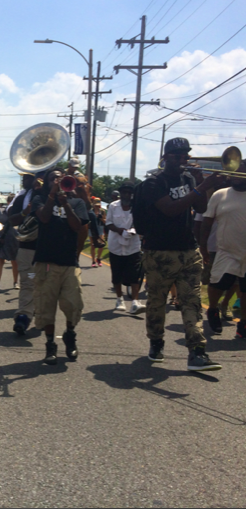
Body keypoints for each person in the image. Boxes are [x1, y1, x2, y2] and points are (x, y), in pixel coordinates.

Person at [138, 137, 222, 371]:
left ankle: (197, 352)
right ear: (165, 158)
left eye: (186, 156)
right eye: (177, 156)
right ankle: (156, 342)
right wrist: (200, 188)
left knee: (192, 301)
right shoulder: (153, 183)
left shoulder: (188, 179)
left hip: (187, 249)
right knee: (156, 301)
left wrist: (199, 182)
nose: (183, 160)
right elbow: (171, 209)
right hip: (159, 251)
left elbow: (202, 209)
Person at [32, 169, 89, 364]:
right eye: (52, 179)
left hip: (69, 263)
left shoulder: (77, 202)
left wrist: (66, 204)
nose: (57, 180)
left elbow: (77, 226)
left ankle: (70, 335)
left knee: (74, 304)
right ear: (47, 183)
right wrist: (52, 195)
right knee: (46, 307)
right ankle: (50, 345)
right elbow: (44, 217)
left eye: (60, 178)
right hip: (46, 262)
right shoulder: (40, 199)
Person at [200, 160, 246, 338]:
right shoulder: (220, 194)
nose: (235, 174)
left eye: (240, 171)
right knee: (217, 283)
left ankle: (243, 324)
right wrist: (203, 246)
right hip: (226, 250)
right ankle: (212, 309)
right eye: (233, 171)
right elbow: (207, 221)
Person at [105, 181, 145, 314]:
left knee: (135, 275)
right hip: (116, 245)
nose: (127, 195)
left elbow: (141, 223)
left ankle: (135, 302)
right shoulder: (113, 206)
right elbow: (109, 223)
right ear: (121, 193)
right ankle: (119, 298)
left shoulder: (137, 207)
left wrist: (134, 230)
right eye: (124, 192)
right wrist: (120, 230)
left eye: (129, 192)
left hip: (132, 246)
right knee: (116, 275)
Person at [6, 172, 39, 335]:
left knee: (43, 283)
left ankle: (40, 313)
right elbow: (11, 219)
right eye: (23, 178)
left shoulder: (51, 194)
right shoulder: (22, 197)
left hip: (47, 249)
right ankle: (24, 317)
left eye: (28, 178)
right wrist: (25, 212)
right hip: (26, 248)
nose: (24, 181)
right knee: (28, 281)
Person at [0, 193, 19, 292]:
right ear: (7, 202)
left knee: (15, 262)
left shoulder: (18, 212)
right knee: (0, 261)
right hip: (1, 239)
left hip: (14, 240)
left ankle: (15, 282)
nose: (11, 204)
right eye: (10, 201)